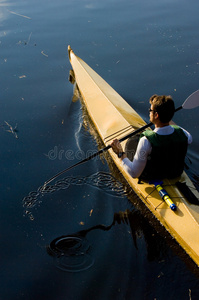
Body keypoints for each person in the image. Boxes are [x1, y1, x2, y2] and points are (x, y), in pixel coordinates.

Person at [110, 94, 192, 181]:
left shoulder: (146, 141)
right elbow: (177, 129)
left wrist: (120, 153)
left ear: (156, 115)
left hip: (152, 177)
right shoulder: (185, 135)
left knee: (132, 144)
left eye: (150, 110)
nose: (149, 113)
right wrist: (167, 116)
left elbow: (134, 173)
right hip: (175, 174)